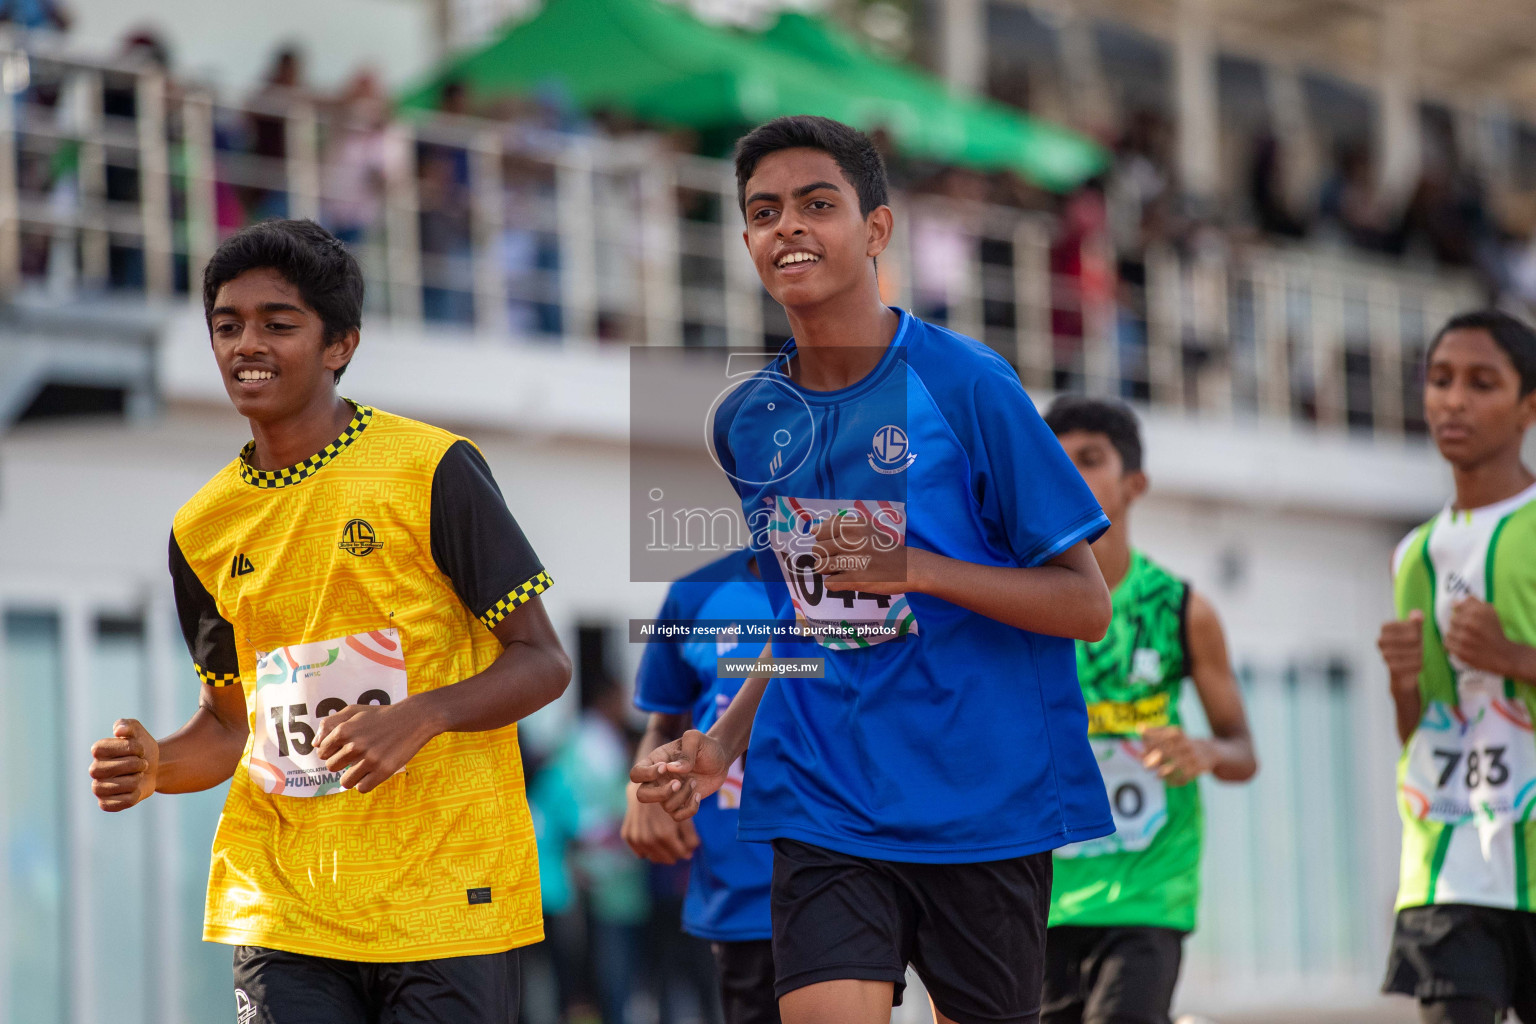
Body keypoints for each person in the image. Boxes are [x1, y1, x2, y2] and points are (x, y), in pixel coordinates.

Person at [633, 115, 1115, 1024]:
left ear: (877, 230)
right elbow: (803, 618)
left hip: (982, 802)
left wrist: (919, 570)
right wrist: (726, 739)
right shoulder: (749, 423)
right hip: (822, 794)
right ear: (746, 241)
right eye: (765, 212)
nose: (790, 228)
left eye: (819, 205)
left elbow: (1085, 604)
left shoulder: (968, 385)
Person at [85, 218, 570, 1023]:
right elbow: (229, 724)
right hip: (284, 901)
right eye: (228, 325)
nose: (248, 344)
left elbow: (543, 661)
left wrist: (421, 715)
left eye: (279, 325)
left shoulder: (432, 468)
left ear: (339, 344)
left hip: (445, 893)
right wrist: (157, 766)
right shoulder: (200, 529)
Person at [1043, 396, 1258, 1024]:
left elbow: (1244, 752)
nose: (1069, 476)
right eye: (1055, 463)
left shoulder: (1181, 610)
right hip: (1044, 894)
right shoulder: (1022, 607)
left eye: (1089, 460)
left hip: (1148, 888)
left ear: (1135, 484)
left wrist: (1207, 752)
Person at [1379, 310, 1536, 1024]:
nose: (1453, 400)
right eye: (1440, 380)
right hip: (1447, 863)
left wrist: (1513, 659)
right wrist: (1401, 683)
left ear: (1527, 407)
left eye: (1482, 383)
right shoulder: (1412, 554)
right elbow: (1419, 729)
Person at [624, 550, 778, 1024]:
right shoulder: (695, 595)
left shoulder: (868, 585)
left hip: (856, 867)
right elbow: (663, 722)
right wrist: (640, 794)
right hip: (743, 896)